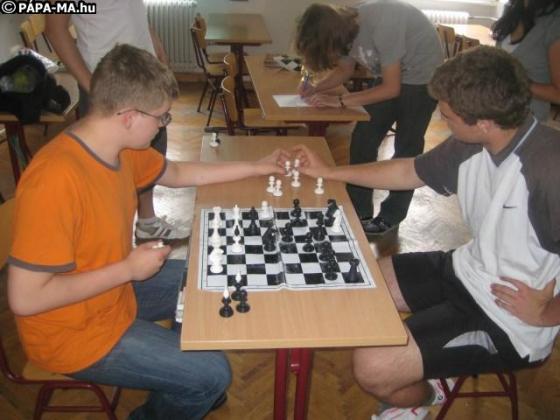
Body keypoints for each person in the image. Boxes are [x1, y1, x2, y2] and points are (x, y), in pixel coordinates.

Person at [7, 44, 285, 420]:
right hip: (72, 333)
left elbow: (179, 173)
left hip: (113, 293)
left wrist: (257, 167)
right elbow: (26, 299)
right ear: (128, 116)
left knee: (205, 276)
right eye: (161, 117)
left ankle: (184, 380)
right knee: (214, 374)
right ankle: (180, 392)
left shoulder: (120, 147)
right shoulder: (54, 181)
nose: (162, 125)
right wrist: (127, 269)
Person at [292, 46, 560, 419]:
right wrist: (329, 173)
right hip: (468, 269)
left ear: (483, 122)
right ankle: (428, 367)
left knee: (372, 368)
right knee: (363, 280)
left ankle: (425, 397)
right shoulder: (473, 142)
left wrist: (547, 314)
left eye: (446, 116)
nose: (441, 119)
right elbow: (409, 171)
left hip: (507, 319)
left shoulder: (549, 169)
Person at [294, 1, 443, 237]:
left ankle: (391, 215)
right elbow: (345, 70)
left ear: (333, 36)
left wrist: (341, 100)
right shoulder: (342, 33)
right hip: (390, 76)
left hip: (422, 78)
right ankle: (359, 209)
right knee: (363, 139)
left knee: (407, 147)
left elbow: (391, 88)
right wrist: (316, 88)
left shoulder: (383, 23)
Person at [46, 1, 187, 241]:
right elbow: (55, 29)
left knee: (151, 149)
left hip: (142, 75)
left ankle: (147, 221)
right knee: (106, 167)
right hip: (108, 84)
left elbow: (133, 11)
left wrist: (156, 45)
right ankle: (105, 239)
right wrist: (92, 86)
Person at [493, 0, 560, 122]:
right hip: (494, 109)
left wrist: (517, 83)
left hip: (526, 118)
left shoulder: (554, 22)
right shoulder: (513, 9)